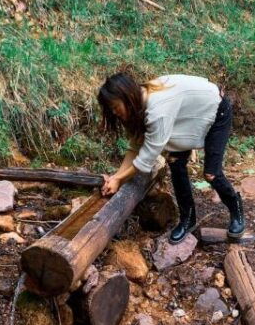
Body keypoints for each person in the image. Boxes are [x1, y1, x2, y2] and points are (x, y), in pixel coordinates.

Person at [97, 72, 244, 244]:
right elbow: (135, 147)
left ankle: (237, 212)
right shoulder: (139, 103)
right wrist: (116, 178)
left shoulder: (157, 109)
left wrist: (119, 180)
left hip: (216, 109)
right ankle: (188, 219)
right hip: (186, 115)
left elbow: (147, 157)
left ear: (126, 96)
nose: (114, 113)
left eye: (115, 107)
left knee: (211, 174)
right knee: (175, 163)